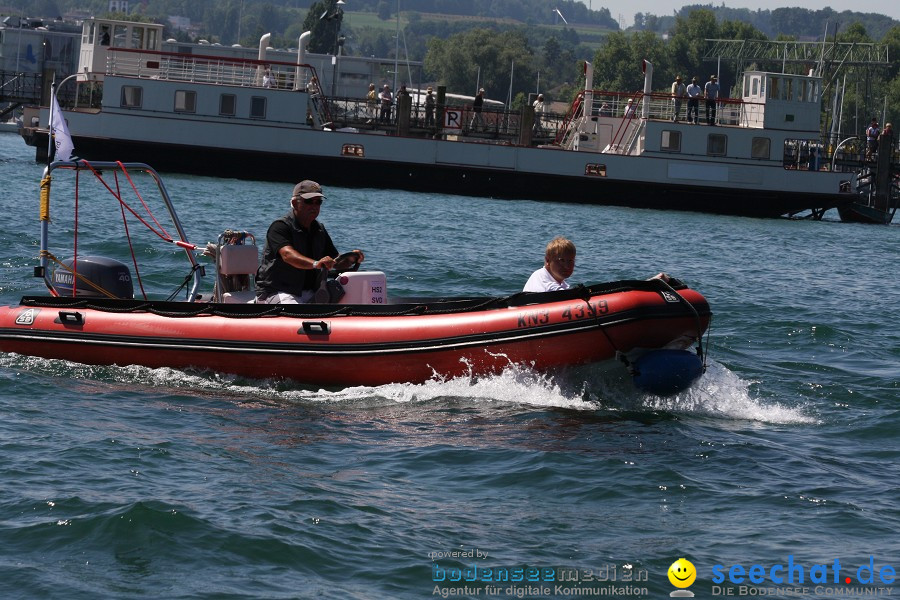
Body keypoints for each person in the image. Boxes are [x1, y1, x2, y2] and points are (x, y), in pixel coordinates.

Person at [255, 180, 364, 304]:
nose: (314, 206)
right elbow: (288, 255)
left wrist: (351, 259)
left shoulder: (319, 230)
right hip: (278, 291)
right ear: (295, 203)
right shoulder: (279, 227)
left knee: (348, 294)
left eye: (318, 202)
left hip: (310, 291)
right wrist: (316, 263)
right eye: (308, 201)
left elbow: (335, 262)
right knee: (292, 307)